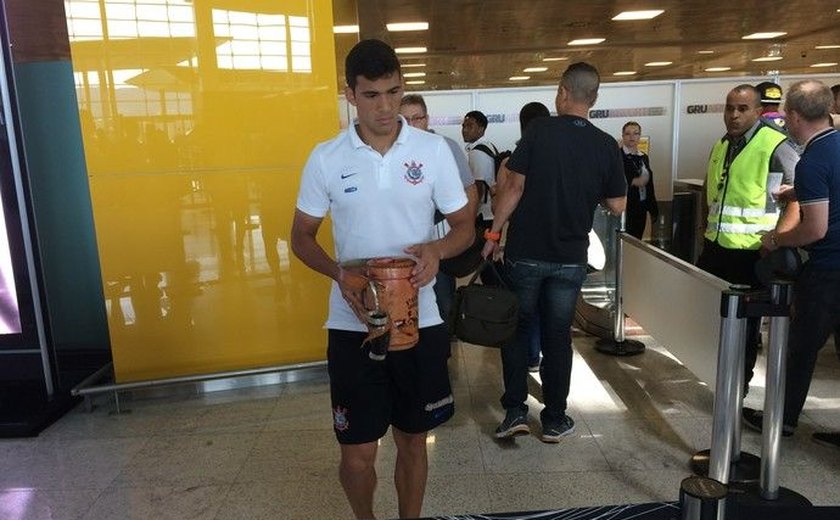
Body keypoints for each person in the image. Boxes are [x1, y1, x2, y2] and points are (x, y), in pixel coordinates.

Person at [290, 39, 474, 519]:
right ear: (350, 94)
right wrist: (337, 273)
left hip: (422, 321)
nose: (386, 107)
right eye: (372, 95)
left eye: (394, 92)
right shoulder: (326, 158)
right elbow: (302, 238)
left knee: (414, 439)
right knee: (358, 451)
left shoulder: (432, 151)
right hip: (354, 325)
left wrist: (437, 248)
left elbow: (463, 227)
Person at [483, 62, 627, 442]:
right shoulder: (606, 144)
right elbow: (617, 205)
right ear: (593, 98)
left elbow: (513, 185)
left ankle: (515, 411)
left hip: (526, 252)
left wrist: (494, 233)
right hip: (570, 259)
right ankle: (555, 418)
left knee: (518, 330)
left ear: (563, 92)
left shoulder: (539, 131)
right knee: (557, 334)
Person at [743, 80, 840, 446]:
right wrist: (798, 192)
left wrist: (776, 239)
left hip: (828, 270)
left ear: (795, 116)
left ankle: (782, 420)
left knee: (801, 347)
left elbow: (814, 229)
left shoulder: (812, 160)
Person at [697, 84, 799, 397]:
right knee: (713, 320)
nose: (734, 115)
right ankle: (720, 380)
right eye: (729, 108)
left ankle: (736, 390)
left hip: (751, 253)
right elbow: (710, 191)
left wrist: (776, 239)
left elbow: (798, 197)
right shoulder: (722, 144)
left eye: (742, 109)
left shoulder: (774, 145)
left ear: (758, 111)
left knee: (744, 329)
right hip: (716, 249)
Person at [399, 94, 478, 328]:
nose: (411, 125)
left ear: (427, 119)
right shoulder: (392, 152)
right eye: (404, 120)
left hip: (440, 240)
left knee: (442, 300)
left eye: (417, 118)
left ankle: (441, 351)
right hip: (404, 246)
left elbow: (470, 190)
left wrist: (463, 230)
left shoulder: (445, 148)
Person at [495, 101, 551, 372]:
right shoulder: (560, 160)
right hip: (557, 247)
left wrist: (494, 237)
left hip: (523, 246)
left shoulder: (510, 162)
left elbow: (500, 207)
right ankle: (544, 359)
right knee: (548, 310)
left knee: (523, 310)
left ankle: (529, 356)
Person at [620, 121, 659, 240]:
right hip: (625, 208)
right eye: (628, 134)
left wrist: (653, 209)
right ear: (623, 136)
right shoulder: (617, 156)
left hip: (641, 207)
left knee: (638, 241)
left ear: (639, 136)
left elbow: (649, 184)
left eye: (635, 133)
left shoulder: (643, 157)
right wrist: (632, 181)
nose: (632, 137)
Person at [462, 110, 497, 231]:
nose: (465, 130)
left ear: (481, 129)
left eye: (470, 126)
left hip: (483, 215)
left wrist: (469, 218)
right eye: (464, 126)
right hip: (492, 212)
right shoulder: (490, 146)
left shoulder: (477, 152)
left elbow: (478, 187)